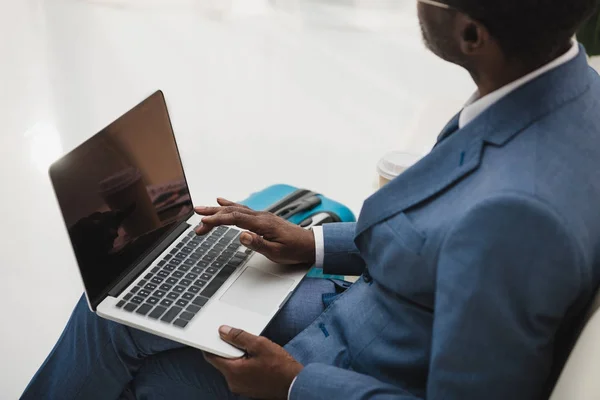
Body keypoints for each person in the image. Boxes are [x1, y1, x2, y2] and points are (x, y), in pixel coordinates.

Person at [22, 0, 600, 398]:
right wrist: (312, 242)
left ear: (473, 34)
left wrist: (295, 383)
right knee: (120, 305)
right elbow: (443, 236)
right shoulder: (569, 93)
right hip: (365, 314)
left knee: (117, 357)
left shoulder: (517, 216)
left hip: (343, 371)